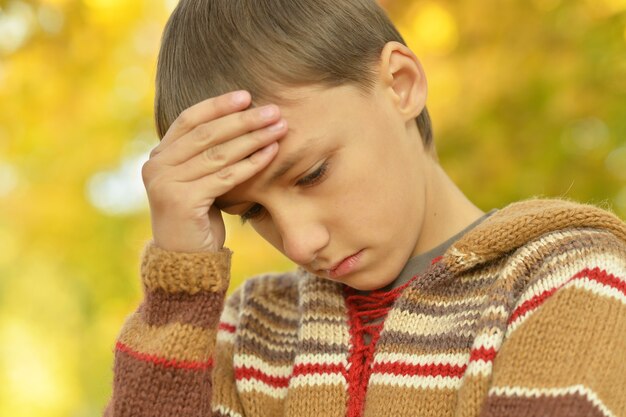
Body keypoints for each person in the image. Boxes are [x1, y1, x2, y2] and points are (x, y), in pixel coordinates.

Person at [104, 0, 626, 416]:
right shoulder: (245, 333)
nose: (299, 244)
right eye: (252, 213)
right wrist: (179, 287)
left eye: (312, 174)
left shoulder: (571, 284)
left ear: (400, 84)